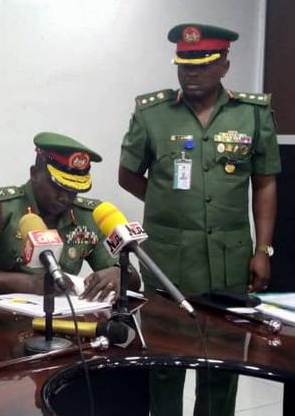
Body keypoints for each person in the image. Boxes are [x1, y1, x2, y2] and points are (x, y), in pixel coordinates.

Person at [118, 23, 281, 416]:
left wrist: (263, 249)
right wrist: (171, 204)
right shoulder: (153, 113)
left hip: (230, 261)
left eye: (202, 64)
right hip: (168, 263)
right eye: (184, 63)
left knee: (222, 367)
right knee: (164, 366)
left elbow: (264, 185)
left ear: (224, 65)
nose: (191, 72)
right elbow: (127, 175)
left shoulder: (252, 115)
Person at [0, 132, 140, 300]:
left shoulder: (88, 216)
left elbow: (134, 280)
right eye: (57, 186)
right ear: (34, 174)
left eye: (74, 190)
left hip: (63, 320)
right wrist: (31, 284)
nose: (65, 197)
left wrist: (119, 273)